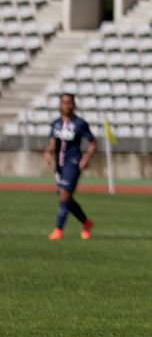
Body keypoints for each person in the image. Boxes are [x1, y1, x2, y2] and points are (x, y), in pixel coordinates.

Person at [44, 93, 97, 240]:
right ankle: (86, 222)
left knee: (64, 194)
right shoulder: (55, 124)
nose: (67, 106)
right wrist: (48, 151)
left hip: (73, 163)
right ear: (60, 105)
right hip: (59, 165)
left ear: (74, 105)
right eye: (64, 103)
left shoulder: (79, 123)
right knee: (66, 198)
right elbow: (53, 143)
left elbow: (93, 142)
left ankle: (58, 230)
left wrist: (86, 158)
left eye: (69, 103)